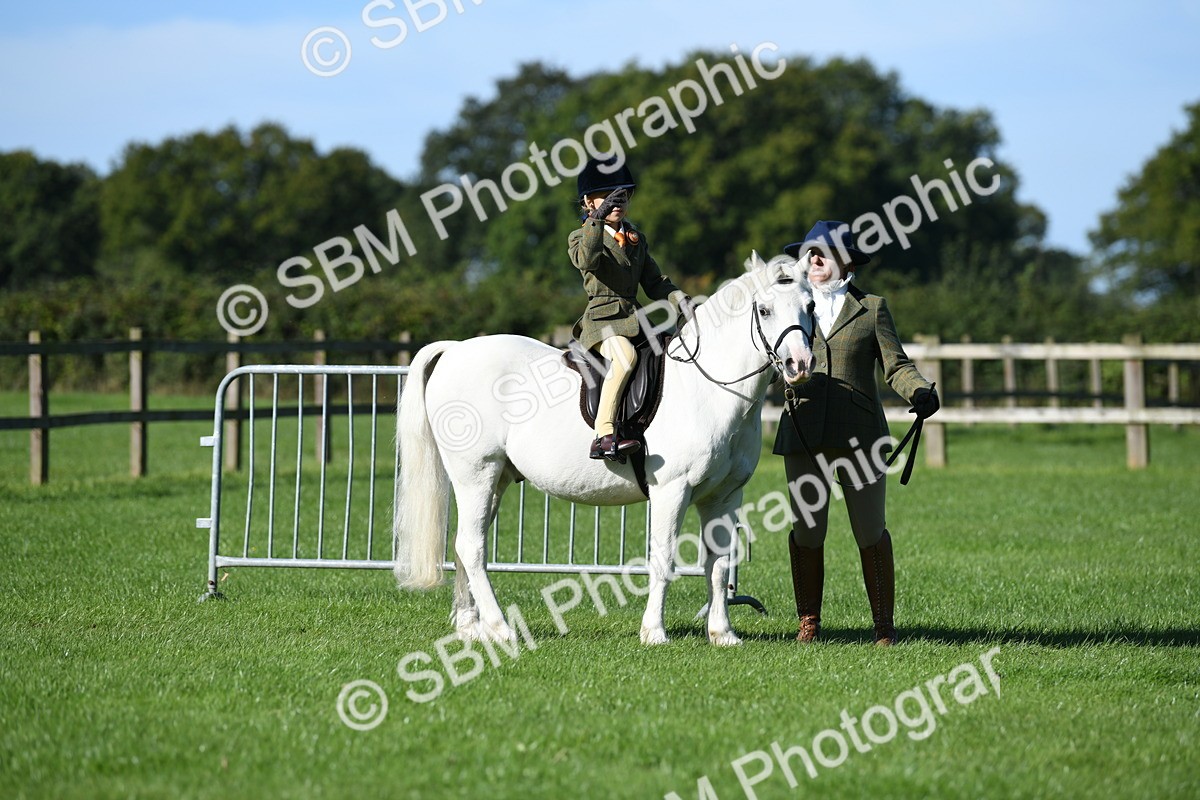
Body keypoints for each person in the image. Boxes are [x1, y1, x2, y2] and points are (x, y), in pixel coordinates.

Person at [773, 220, 939, 646]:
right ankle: (808, 622)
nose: (813, 260)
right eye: (808, 253)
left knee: (869, 530)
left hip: (859, 436)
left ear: (844, 259)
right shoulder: (791, 305)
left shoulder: (873, 308)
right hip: (803, 428)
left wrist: (918, 390)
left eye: (822, 252)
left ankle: (884, 627)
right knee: (807, 532)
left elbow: (896, 365)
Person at [568, 156, 692, 461]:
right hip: (602, 321)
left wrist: (683, 302)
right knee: (625, 357)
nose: (617, 201)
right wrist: (597, 218)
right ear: (588, 201)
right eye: (608, 195)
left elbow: (655, 282)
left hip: (636, 319)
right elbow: (587, 260)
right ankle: (603, 433)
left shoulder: (636, 239)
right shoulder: (581, 236)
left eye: (622, 195)